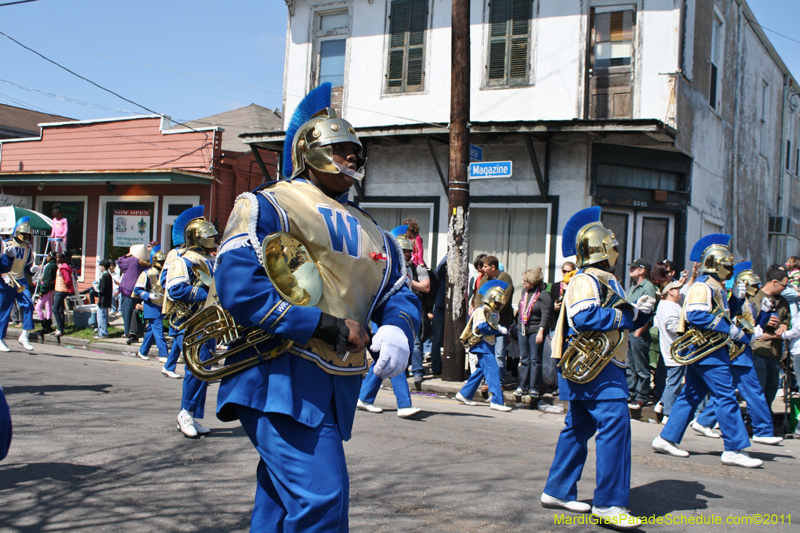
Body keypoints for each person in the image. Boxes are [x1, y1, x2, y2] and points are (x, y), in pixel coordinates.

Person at [212, 82, 420, 531]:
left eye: (355, 152)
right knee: (322, 504)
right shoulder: (270, 202)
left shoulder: (375, 232)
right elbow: (238, 283)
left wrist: (398, 328)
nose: (351, 159)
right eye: (339, 148)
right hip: (275, 373)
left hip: (329, 383)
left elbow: (395, 291)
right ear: (309, 151)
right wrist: (323, 325)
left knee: (280, 505)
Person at [542, 207, 653, 528]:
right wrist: (626, 316)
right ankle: (608, 503)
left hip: (596, 365)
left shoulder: (604, 279)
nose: (618, 250)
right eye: (613, 244)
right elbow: (584, 316)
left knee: (578, 428)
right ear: (602, 248)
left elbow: (622, 317)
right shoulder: (587, 279)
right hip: (597, 368)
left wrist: (642, 312)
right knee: (616, 428)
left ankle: (558, 490)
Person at [652, 234, 762, 468]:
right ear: (716, 265)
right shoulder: (703, 285)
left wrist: (736, 300)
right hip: (708, 351)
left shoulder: (716, 286)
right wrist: (729, 329)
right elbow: (696, 314)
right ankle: (733, 448)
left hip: (708, 349)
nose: (731, 270)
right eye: (727, 265)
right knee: (725, 396)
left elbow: (722, 313)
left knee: (691, 394)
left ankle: (666, 438)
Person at [690, 261, 783, 445]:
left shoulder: (751, 304)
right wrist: (750, 333)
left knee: (726, 393)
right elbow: (731, 323)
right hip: (736, 350)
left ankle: (703, 421)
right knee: (749, 392)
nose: (756, 289)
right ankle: (761, 431)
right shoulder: (737, 300)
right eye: (753, 285)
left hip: (742, 350)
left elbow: (755, 325)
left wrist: (764, 314)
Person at [165, 210, 217, 438]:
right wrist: (206, 292)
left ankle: (190, 414)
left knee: (203, 368)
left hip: (208, 321)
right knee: (195, 368)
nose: (213, 240)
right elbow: (175, 289)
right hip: (188, 322)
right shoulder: (182, 259)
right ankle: (185, 413)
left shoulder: (211, 259)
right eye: (209, 236)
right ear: (197, 237)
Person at [456, 279, 513, 412]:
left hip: (488, 344)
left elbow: (491, 329)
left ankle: (464, 394)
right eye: (498, 302)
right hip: (481, 344)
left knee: (481, 371)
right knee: (493, 371)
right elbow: (482, 328)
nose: (499, 305)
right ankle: (497, 401)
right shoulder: (481, 311)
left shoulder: (494, 312)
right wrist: (498, 329)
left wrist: (498, 331)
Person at [392, 225, 430, 389]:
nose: (406, 254)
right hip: (394, 306)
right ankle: (400, 369)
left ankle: (417, 372)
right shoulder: (391, 266)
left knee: (415, 341)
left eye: (408, 251)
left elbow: (426, 287)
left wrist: (407, 279)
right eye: (403, 251)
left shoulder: (416, 267)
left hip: (413, 304)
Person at [159, 208, 194, 380]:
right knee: (183, 335)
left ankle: (168, 365)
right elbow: (165, 280)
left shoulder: (197, 254)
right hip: (180, 302)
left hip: (193, 304)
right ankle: (193, 369)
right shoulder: (176, 253)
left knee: (181, 338)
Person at [751, 264, 791, 409]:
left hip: (775, 353)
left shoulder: (783, 302)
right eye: (784, 285)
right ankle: (755, 423)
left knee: (771, 390)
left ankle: (765, 421)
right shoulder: (755, 297)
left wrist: (785, 324)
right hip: (758, 350)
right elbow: (747, 321)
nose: (785, 289)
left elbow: (787, 319)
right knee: (758, 390)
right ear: (775, 282)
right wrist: (763, 321)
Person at [473, 255, 514, 389]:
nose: (483, 269)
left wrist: (492, 315)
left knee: (499, 353)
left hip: (501, 320)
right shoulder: (484, 279)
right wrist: (481, 314)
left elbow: (505, 301)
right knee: (487, 352)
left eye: (485, 266)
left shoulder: (505, 278)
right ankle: (488, 380)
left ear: (493, 267)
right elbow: (479, 297)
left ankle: (499, 381)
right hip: (486, 321)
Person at [0, 218, 37, 351]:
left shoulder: (28, 247)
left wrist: (32, 270)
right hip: (7, 278)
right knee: (5, 309)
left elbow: (27, 265)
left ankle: (24, 335)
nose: (26, 237)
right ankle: (1, 338)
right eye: (24, 234)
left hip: (21, 279)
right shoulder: (6, 244)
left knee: (28, 304)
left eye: (28, 235)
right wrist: (3, 275)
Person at [515, 267, 552, 398]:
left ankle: (534, 387)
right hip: (523, 329)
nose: (523, 282)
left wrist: (541, 331)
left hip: (536, 330)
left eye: (526, 280)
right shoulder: (524, 293)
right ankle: (522, 385)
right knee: (524, 358)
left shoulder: (543, 295)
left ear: (533, 281)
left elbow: (546, 315)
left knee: (535, 359)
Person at [625, 258, 657, 409]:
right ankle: (630, 393)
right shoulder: (633, 287)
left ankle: (641, 396)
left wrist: (638, 332)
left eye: (634, 268)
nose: (631, 270)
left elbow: (649, 312)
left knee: (641, 366)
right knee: (630, 365)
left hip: (639, 332)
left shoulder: (648, 287)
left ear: (642, 270)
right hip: (630, 330)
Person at [654, 281, 684, 423]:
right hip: (675, 350)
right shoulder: (669, 306)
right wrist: (687, 329)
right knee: (674, 382)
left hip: (672, 349)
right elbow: (672, 326)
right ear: (670, 291)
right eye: (677, 289)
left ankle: (662, 404)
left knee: (673, 380)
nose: (680, 292)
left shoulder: (665, 304)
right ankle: (668, 412)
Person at [133, 247, 168, 361]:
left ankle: (142, 352)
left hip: (161, 304)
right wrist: (148, 296)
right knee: (158, 330)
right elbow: (137, 289)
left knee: (151, 332)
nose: (162, 264)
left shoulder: (165, 273)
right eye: (160, 261)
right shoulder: (146, 273)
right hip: (151, 305)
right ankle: (163, 354)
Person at [429, 254, 447, 377]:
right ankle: (436, 366)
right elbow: (436, 273)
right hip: (440, 306)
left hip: (455, 309)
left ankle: (448, 365)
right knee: (437, 339)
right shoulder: (443, 266)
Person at [52, 252, 74, 338]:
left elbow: (68, 280)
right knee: (60, 310)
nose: (56, 259)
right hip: (58, 289)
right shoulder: (62, 267)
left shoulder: (64, 268)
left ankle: (60, 329)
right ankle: (60, 328)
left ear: (62, 258)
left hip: (61, 290)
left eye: (58, 257)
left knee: (55, 309)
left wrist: (64, 284)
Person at [34, 252, 57, 335]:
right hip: (51, 289)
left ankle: (44, 324)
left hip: (47, 289)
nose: (46, 257)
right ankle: (48, 325)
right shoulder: (54, 265)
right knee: (48, 307)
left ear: (50, 257)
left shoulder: (50, 266)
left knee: (38, 307)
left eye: (48, 256)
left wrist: (42, 291)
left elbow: (47, 280)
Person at [94, 260, 113, 339]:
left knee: (101, 316)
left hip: (103, 300)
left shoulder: (105, 276)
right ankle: (101, 330)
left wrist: (96, 288)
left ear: (103, 266)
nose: (99, 267)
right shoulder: (108, 275)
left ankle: (103, 333)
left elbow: (102, 289)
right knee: (103, 315)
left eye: (100, 265)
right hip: (105, 299)